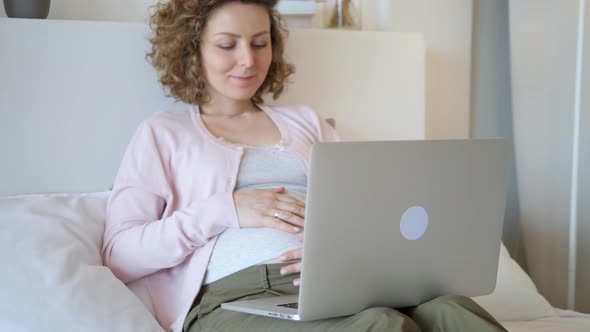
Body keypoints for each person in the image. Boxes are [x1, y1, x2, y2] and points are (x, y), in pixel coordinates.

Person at [102, 0, 507, 331]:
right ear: (192, 50)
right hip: (235, 296)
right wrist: (228, 208)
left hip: (343, 285)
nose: (247, 60)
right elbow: (120, 254)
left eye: (260, 44)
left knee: (452, 309)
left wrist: (346, 253)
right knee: (381, 326)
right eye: (228, 44)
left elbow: (367, 209)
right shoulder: (163, 133)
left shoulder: (306, 122)